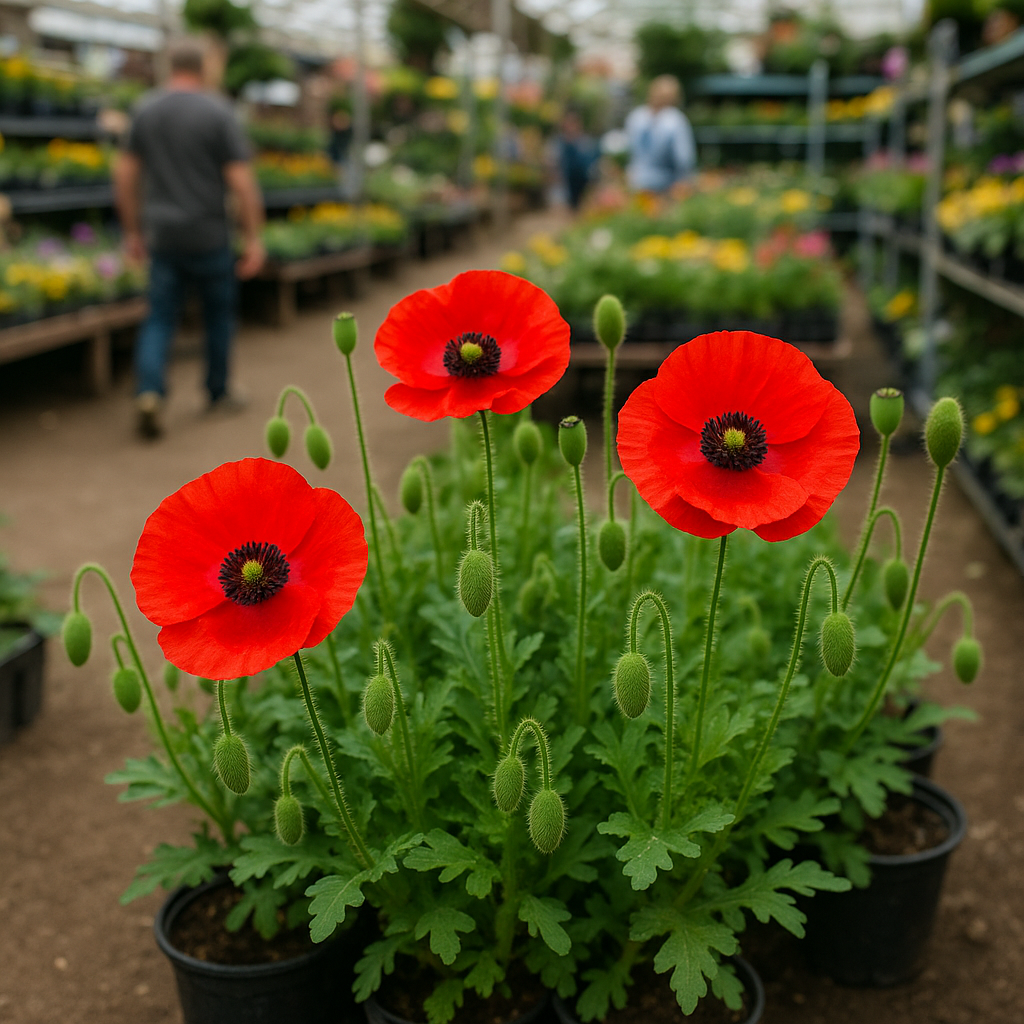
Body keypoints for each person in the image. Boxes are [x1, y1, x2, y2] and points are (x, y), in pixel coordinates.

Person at [113, 36, 266, 439]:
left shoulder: (145, 109)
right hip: (209, 235)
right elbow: (242, 183)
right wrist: (254, 239)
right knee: (217, 316)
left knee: (160, 316)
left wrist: (132, 231)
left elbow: (125, 175)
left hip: (162, 235)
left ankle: (149, 391)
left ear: (170, 66)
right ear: (204, 67)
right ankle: (217, 392)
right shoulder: (219, 112)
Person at [624, 75, 696, 195]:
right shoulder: (675, 119)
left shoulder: (637, 116)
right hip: (663, 185)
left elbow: (628, 150)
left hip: (639, 182)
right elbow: (684, 158)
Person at [556, 109, 599, 212]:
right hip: (566, 184)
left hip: (582, 182)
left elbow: (591, 162)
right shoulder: (560, 143)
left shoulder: (585, 142)